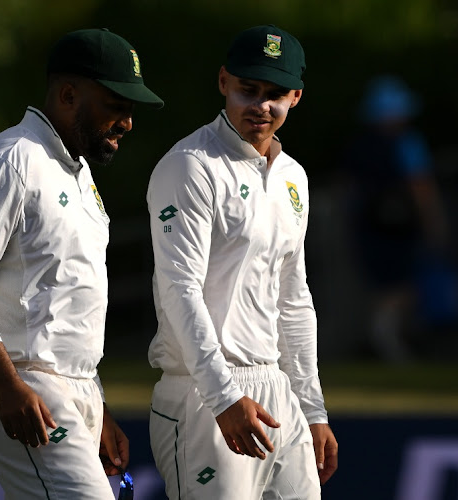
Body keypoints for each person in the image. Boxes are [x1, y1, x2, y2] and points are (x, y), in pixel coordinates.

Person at [0, 28, 163, 499]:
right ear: (68, 94)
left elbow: (68, 304)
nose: (127, 123)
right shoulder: (13, 159)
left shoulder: (79, 174)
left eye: (130, 111)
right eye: (115, 106)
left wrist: (95, 405)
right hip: (22, 384)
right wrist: (6, 384)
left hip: (69, 388)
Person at [146, 25, 337, 499]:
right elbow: (179, 290)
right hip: (202, 391)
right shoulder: (191, 165)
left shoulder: (293, 176)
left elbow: (293, 298)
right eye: (247, 90)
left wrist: (312, 409)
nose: (260, 106)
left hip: (277, 391)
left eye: (275, 95)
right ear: (223, 82)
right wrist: (224, 396)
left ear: (296, 97)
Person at [341, 75, 453, 363]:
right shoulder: (407, 143)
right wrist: (434, 222)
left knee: (385, 285)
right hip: (399, 227)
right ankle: (387, 338)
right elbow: (421, 186)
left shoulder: (360, 145)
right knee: (402, 285)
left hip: (368, 226)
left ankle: (386, 337)